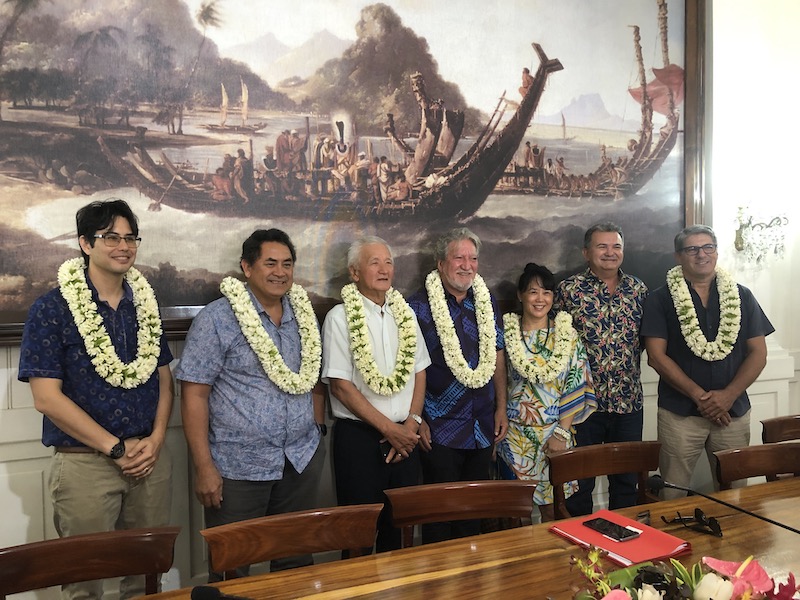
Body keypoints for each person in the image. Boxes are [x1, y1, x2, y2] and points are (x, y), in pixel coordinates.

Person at [18, 198, 174, 600]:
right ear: (86, 244)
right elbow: (46, 399)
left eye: (130, 238)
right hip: (85, 464)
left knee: (147, 579)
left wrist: (156, 439)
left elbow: (164, 379)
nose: (123, 246)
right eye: (110, 237)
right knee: (84, 584)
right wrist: (115, 448)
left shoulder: (146, 304)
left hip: (149, 460)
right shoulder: (51, 308)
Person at [175, 228, 326, 579]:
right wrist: (205, 467)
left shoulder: (303, 317)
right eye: (270, 263)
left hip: (299, 462)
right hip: (238, 466)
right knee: (232, 568)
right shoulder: (217, 319)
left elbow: (315, 378)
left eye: (287, 264)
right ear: (246, 267)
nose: (280, 272)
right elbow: (194, 394)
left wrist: (317, 432)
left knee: (295, 565)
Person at [641, 225, 774, 499]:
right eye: (692, 249)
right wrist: (702, 398)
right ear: (678, 256)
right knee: (671, 493)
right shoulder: (659, 299)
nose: (701, 254)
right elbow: (656, 357)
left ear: (716, 251)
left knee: (735, 493)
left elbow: (758, 354)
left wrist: (728, 396)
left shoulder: (742, 295)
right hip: (680, 414)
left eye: (707, 247)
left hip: (732, 413)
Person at [321, 236, 431, 552]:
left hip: (406, 441)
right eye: (374, 262)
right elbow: (341, 386)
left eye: (389, 262)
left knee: (398, 537)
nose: (384, 269)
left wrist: (410, 424)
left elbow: (420, 372)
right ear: (354, 273)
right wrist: (389, 430)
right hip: (360, 440)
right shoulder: (340, 318)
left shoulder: (405, 315)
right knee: (359, 536)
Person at [407, 227, 508, 543]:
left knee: (472, 516)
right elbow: (410, 368)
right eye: (459, 257)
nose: (467, 265)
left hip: (482, 425)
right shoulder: (417, 307)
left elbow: (498, 354)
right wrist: (418, 417)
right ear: (440, 263)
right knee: (440, 516)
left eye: (473, 258)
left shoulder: (486, 299)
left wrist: (501, 407)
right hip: (439, 428)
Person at [555, 222, 648, 515]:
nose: (610, 253)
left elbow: (647, 339)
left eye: (616, 246)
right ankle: (582, 551)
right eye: (602, 246)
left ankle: (624, 548)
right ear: (586, 252)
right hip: (583, 405)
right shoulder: (568, 290)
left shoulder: (638, 289)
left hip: (627, 401)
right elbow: (557, 345)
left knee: (625, 482)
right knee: (580, 484)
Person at [498, 263, 597, 522]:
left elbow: (577, 383)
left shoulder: (566, 336)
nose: (540, 299)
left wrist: (562, 433)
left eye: (546, 292)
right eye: (533, 292)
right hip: (514, 436)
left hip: (554, 435)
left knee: (552, 509)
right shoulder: (506, 336)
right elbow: (497, 383)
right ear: (520, 295)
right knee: (514, 512)